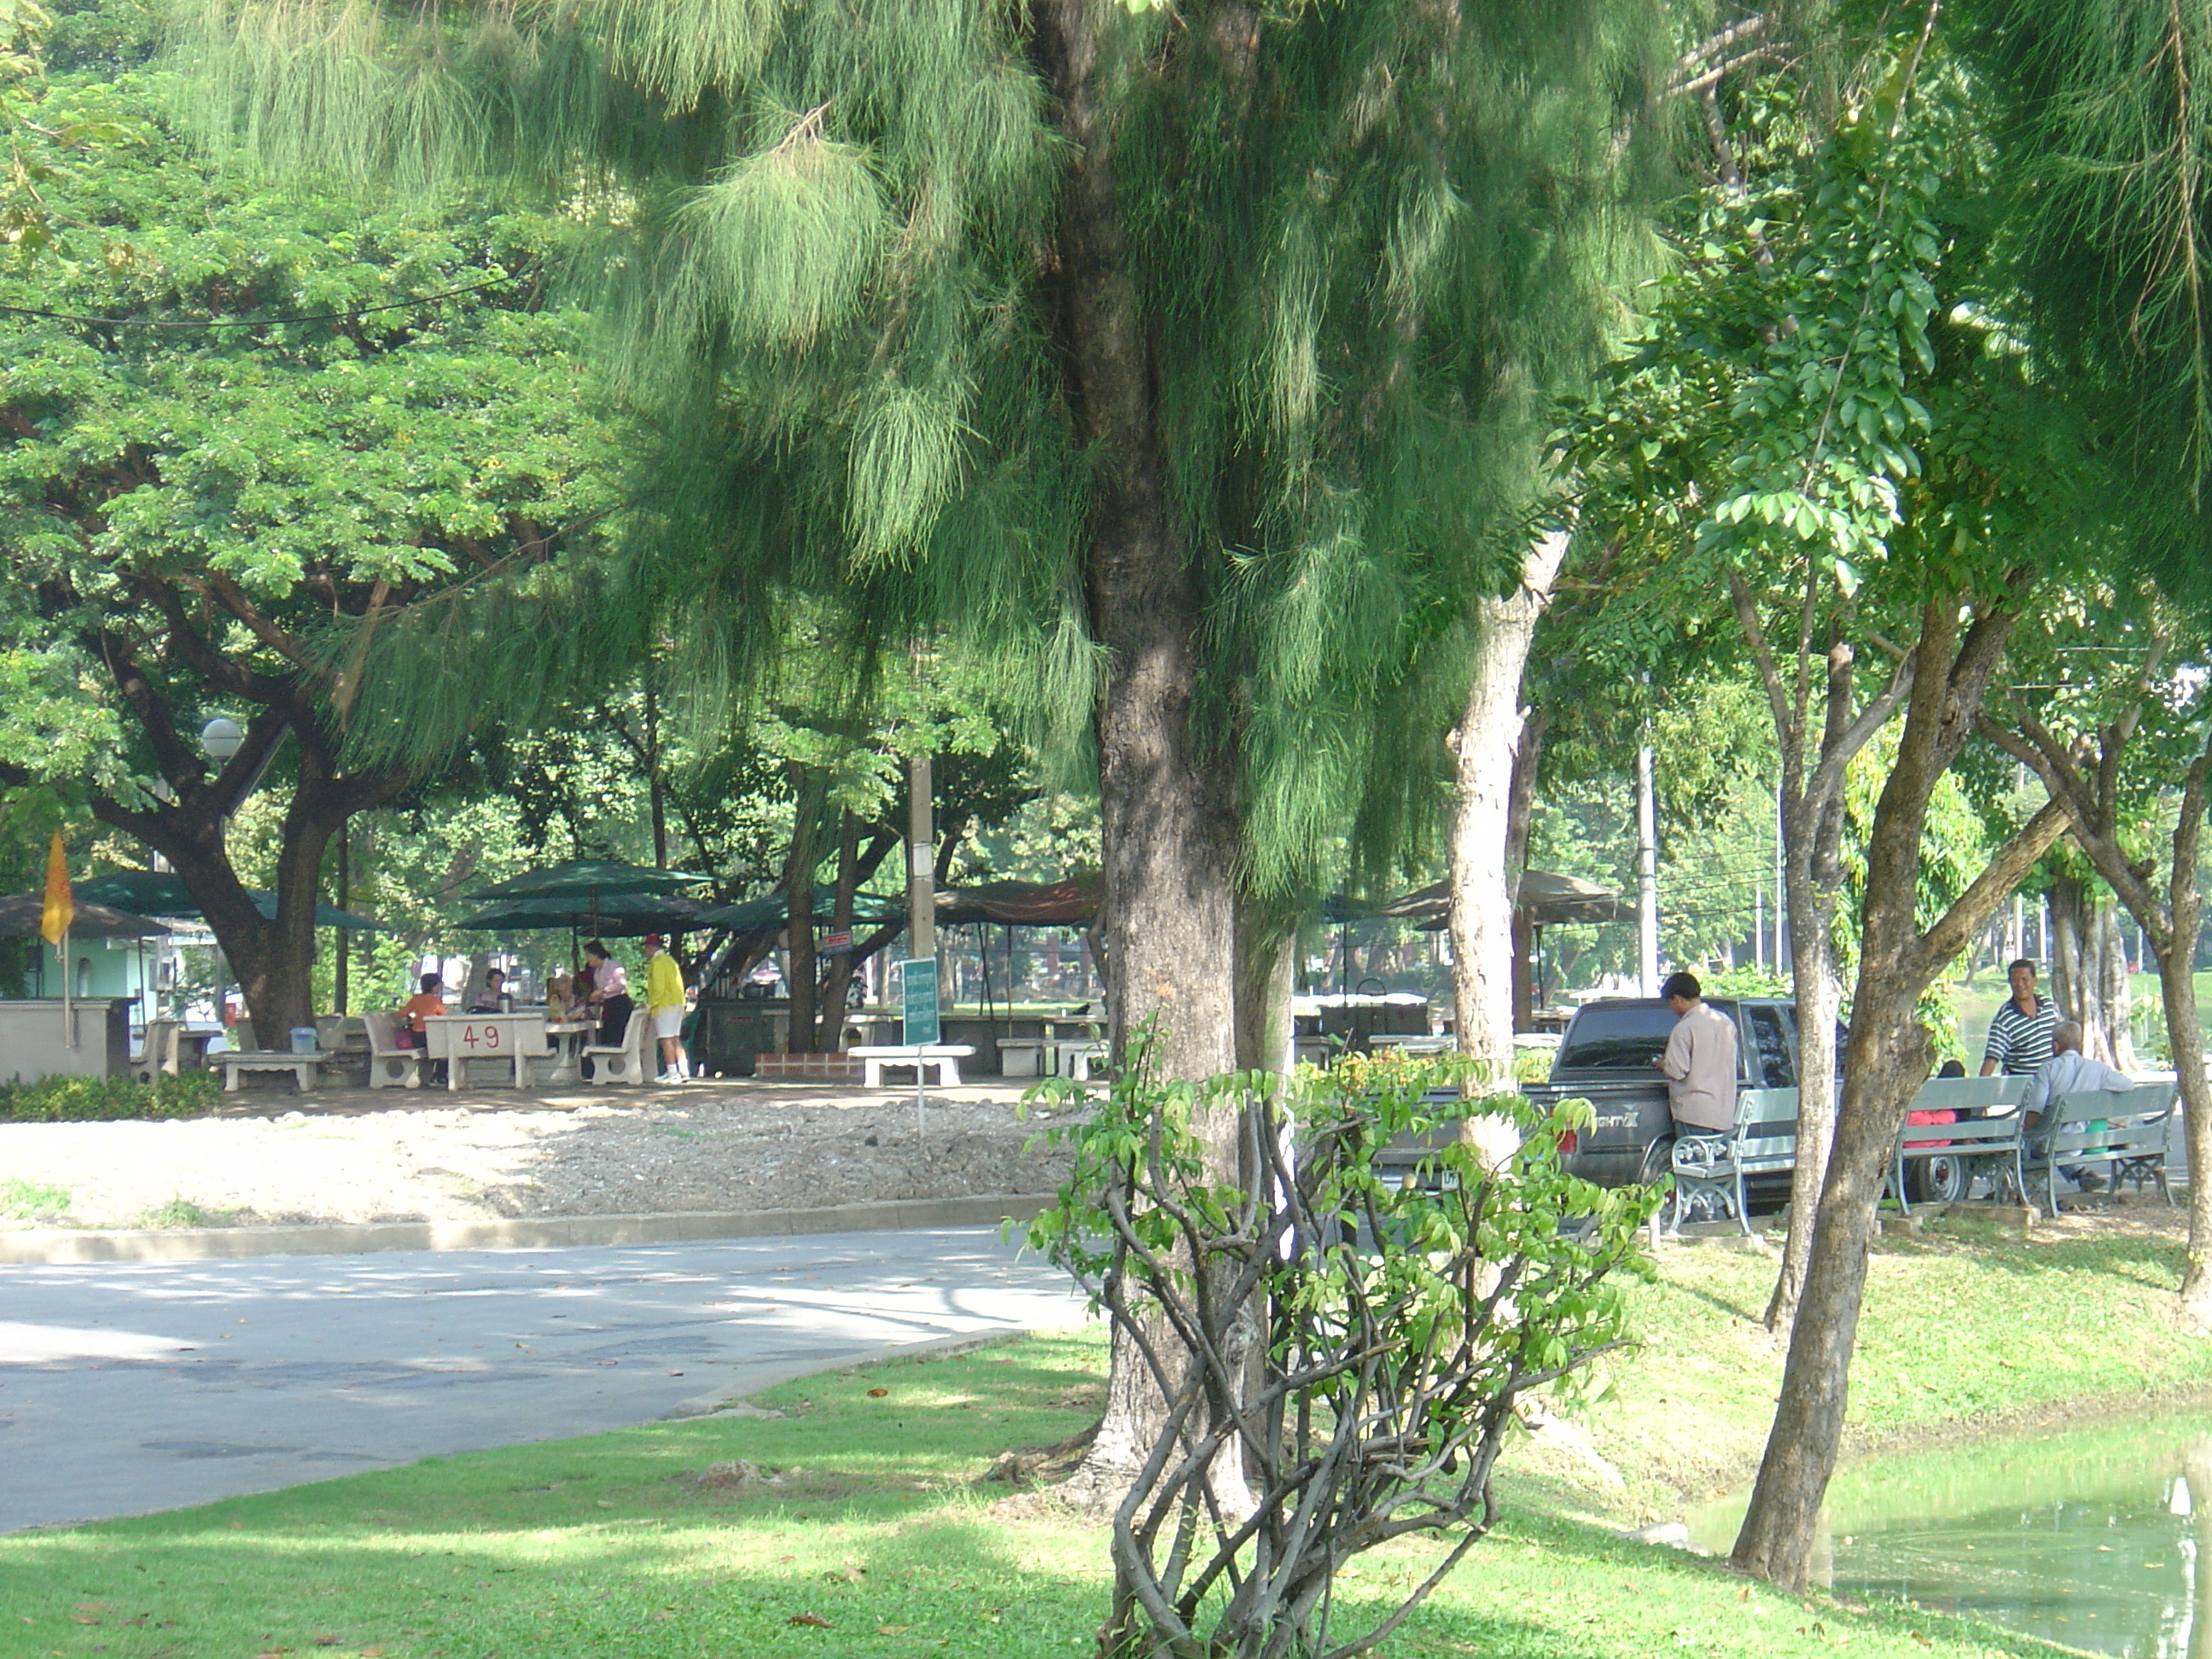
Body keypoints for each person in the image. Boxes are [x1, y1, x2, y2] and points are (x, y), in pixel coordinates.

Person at [2023, 1019, 2133, 1192]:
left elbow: (2035, 1109)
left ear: (2056, 1045)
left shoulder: (2048, 1069)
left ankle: (2018, 1188)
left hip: (2050, 1141)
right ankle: (2081, 1175)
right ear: (2079, 1045)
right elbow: (2127, 1085)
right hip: (2080, 1140)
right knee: (2059, 1148)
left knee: (2030, 1145)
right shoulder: (2097, 1069)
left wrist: (2023, 1132)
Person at [1654, 970, 1738, 1138]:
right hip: (1724, 1112)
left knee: (1695, 1165)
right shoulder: (1725, 1022)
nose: (1672, 1009)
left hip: (1694, 1114)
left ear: (1676, 999)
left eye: (1671, 1004)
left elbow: (1677, 1071)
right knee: (1718, 1164)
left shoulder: (1684, 1028)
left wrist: (1662, 1063)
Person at [1982, 958, 2058, 1077]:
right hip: (2023, 1085)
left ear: (2035, 981)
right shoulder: (2004, 1020)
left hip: (2053, 1079)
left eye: (2025, 979)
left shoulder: (2048, 1006)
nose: (2020, 984)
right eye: (2015, 980)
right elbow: (1991, 1059)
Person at [643, 933, 689, 1084]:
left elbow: (658, 988)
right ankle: (683, 1071)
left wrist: (651, 1005)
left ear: (651, 948)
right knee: (675, 1038)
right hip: (677, 1004)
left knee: (666, 1039)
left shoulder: (657, 963)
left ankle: (672, 1073)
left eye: (645, 948)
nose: (645, 952)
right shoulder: (670, 961)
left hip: (664, 1006)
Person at [584, 940, 632, 1048]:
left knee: (618, 1036)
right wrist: (597, 997)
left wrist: (604, 990)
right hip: (609, 1005)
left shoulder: (614, 966)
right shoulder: (596, 973)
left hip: (620, 1004)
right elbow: (602, 993)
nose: (587, 959)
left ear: (595, 955)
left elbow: (621, 985)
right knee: (606, 1037)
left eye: (588, 955)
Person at [396, 972, 447, 1051]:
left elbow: (401, 1013)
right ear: (433, 987)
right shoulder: (436, 1001)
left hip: (417, 1036)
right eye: (438, 985)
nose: (440, 987)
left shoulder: (415, 999)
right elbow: (444, 1016)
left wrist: (409, 1017)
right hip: (431, 1036)